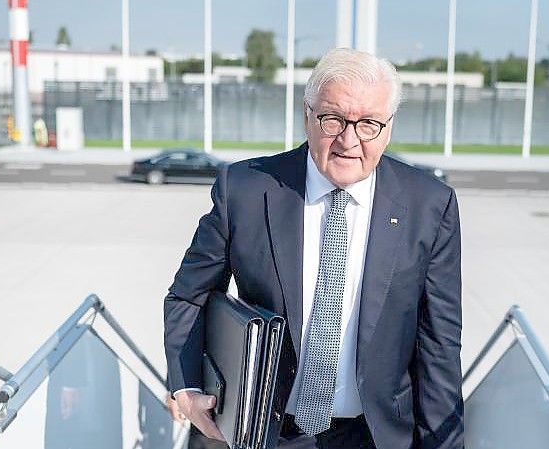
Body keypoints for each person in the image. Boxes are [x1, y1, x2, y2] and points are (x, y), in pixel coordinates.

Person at [164, 48, 463, 449]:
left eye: (368, 124)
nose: (348, 140)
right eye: (333, 119)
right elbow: (188, 295)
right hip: (266, 432)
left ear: (388, 127)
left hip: (374, 436)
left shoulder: (429, 205)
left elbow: (439, 346)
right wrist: (186, 385)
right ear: (307, 115)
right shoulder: (246, 190)